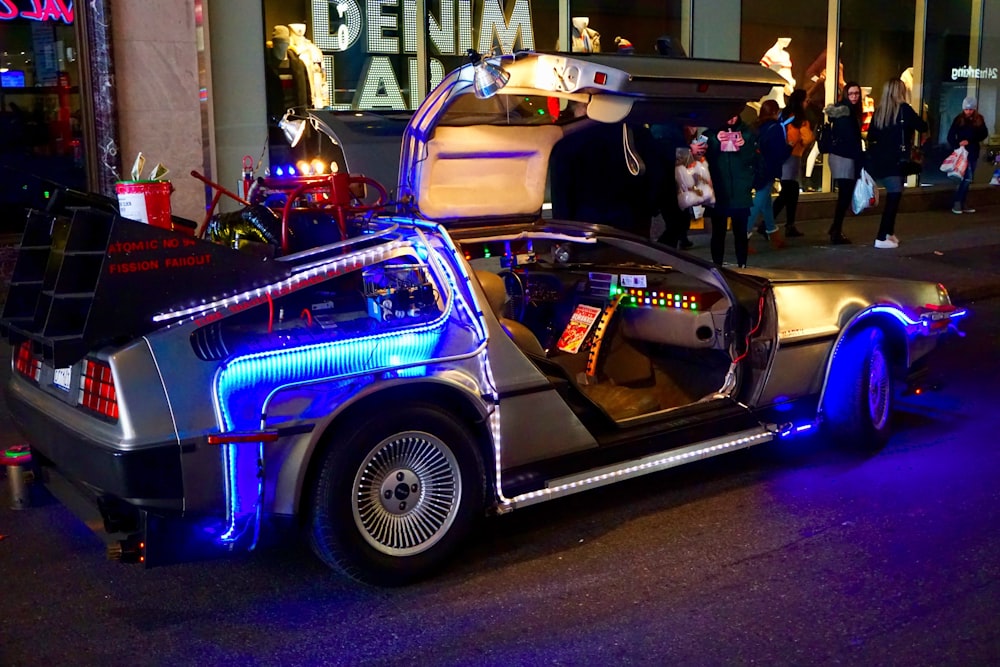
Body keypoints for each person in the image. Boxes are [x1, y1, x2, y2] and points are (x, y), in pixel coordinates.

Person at [864, 78, 928, 248]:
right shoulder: (904, 110)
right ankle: (881, 236)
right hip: (897, 160)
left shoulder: (879, 112)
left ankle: (890, 233)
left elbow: (871, 136)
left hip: (880, 160)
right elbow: (922, 126)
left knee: (894, 195)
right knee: (894, 196)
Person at [705, 114, 758, 268]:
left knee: (740, 232)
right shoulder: (710, 133)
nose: (731, 120)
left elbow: (753, 159)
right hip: (718, 190)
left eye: (734, 116)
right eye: (728, 116)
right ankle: (717, 266)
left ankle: (742, 265)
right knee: (718, 232)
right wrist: (715, 140)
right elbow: (701, 154)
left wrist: (745, 145)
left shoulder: (747, 132)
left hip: (740, 190)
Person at [823, 81, 865, 244]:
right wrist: (860, 157)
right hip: (845, 156)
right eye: (852, 93)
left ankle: (835, 227)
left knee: (844, 194)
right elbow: (850, 139)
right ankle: (836, 230)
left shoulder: (844, 110)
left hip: (840, 155)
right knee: (845, 195)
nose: (854, 97)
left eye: (857, 93)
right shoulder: (846, 112)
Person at [771, 89, 814, 237]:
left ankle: (789, 225)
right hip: (792, 156)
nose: (808, 103)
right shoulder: (799, 118)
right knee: (788, 191)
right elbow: (807, 138)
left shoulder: (782, 114)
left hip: (780, 156)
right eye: (807, 101)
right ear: (801, 102)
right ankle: (769, 224)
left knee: (791, 190)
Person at [748, 100, 790, 247]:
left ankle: (772, 232)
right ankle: (744, 234)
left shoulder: (755, 126)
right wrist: (789, 148)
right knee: (759, 201)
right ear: (775, 112)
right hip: (768, 168)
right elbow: (779, 152)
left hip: (756, 167)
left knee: (765, 202)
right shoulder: (776, 128)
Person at [947, 96, 989, 214]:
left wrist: (969, 141)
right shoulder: (959, 120)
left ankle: (961, 202)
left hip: (972, 151)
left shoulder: (978, 120)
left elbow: (984, 134)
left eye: (970, 109)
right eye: (966, 109)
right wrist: (957, 144)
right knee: (966, 178)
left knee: (967, 179)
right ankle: (958, 202)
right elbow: (950, 136)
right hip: (963, 152)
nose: (968, 112)